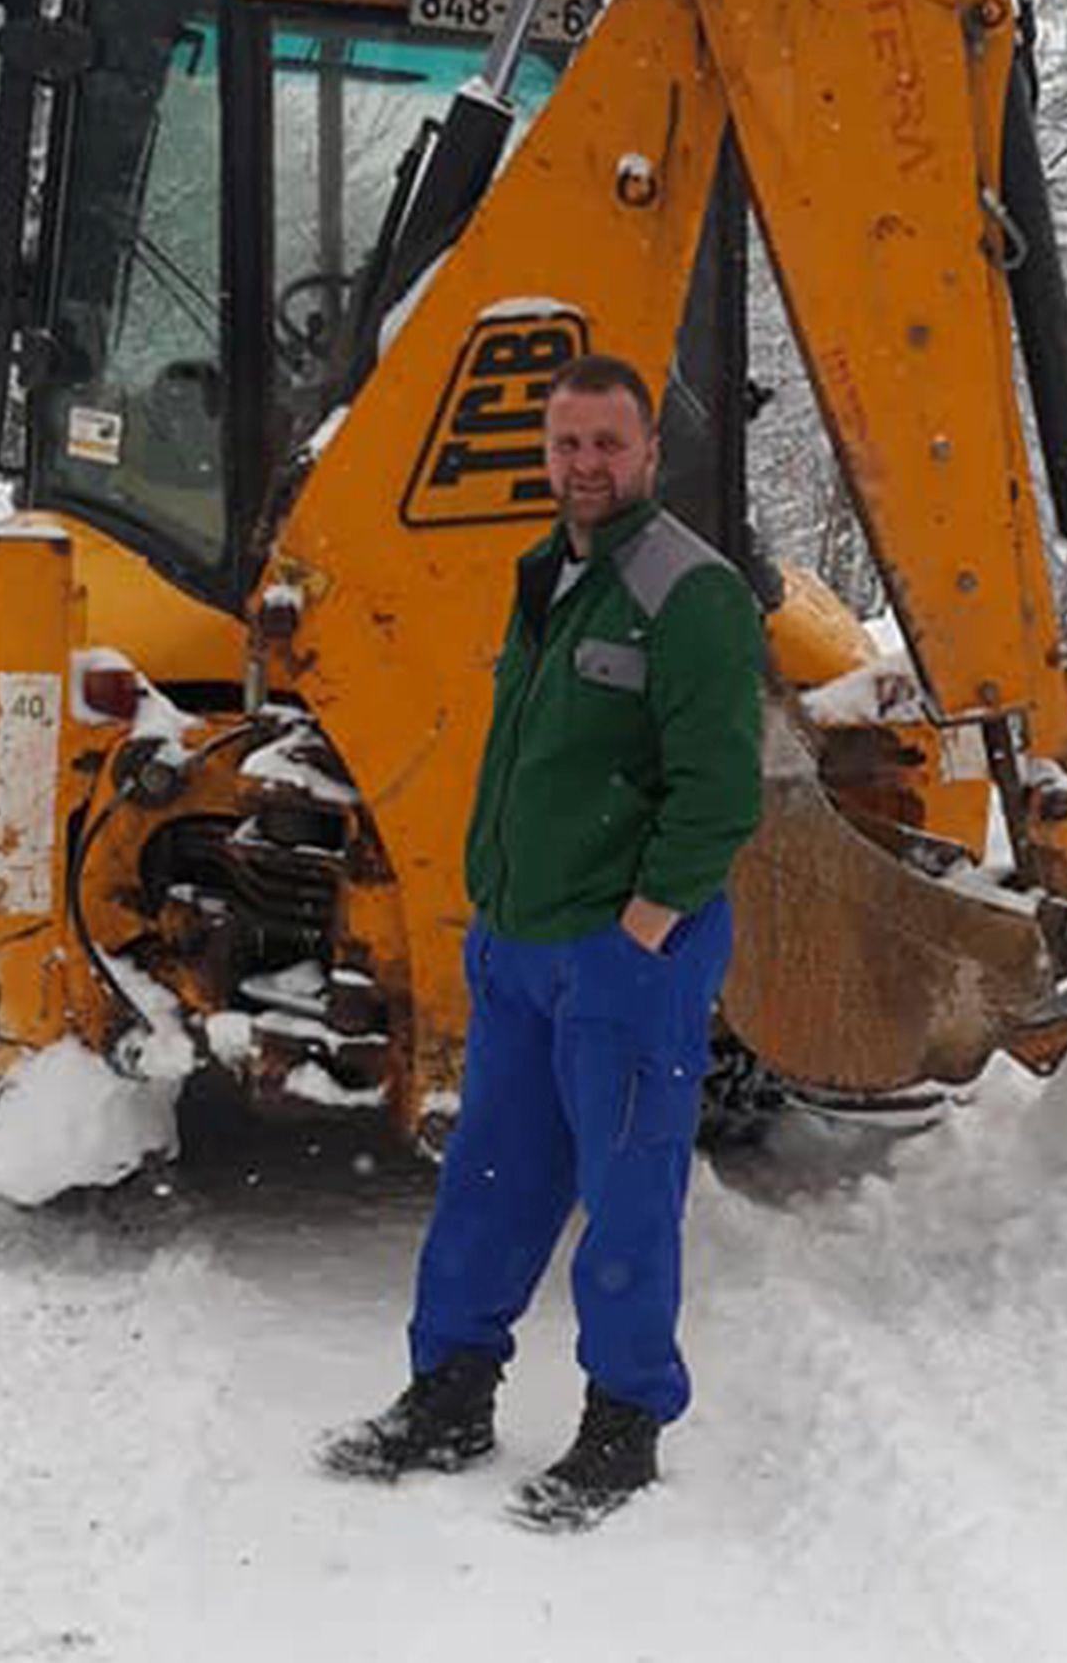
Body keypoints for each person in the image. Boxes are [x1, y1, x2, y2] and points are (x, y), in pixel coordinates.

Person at [318, 352, 765, 1531]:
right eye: (567, 445)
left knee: (628, 1193)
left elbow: (720, 789)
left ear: (650, 452)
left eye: (608, 444)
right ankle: (452, 1392)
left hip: (624, 953)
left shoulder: (692, 591)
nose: (585, 466)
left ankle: (623, 1425)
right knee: (492, 1178)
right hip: (518, 943)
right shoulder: (545, 573)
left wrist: (644, 927)